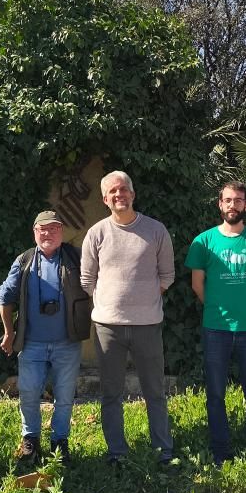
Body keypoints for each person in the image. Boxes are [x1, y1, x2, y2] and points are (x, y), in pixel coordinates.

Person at [80, 171, 176, 465]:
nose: (118, 195)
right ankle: (116, 453)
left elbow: (167, 275)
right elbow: (87, 279)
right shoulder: (96, 233)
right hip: (108, 327)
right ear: (105, 199)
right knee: (111, 393)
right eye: (112, 192)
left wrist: (142, 299)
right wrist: (109, 303)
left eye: (123, 190)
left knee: (155, 391)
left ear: (133, 194)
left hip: (147, 325)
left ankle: (163, 451)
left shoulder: (156, 230)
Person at [185, 181, 246, 464]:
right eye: (227, 200)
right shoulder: (203, 241)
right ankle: (220, 452)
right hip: (216, 329)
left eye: (238, 200)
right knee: (215, 394)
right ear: (219, 204)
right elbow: (198, 286)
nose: (232, 205)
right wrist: (217, 309)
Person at [0, 210, 91, 464]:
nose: (48, 234)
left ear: (61, 231)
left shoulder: (76, 257)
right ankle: (31, 441)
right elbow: (5, 297)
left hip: (67, 343)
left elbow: (97, 285)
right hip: (32, 344)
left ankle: (60, 442)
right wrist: (8, 331)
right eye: (43, 229)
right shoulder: (24, 260)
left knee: (65, 396)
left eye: (53, 229)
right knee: (28, 393)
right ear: (35, 233)